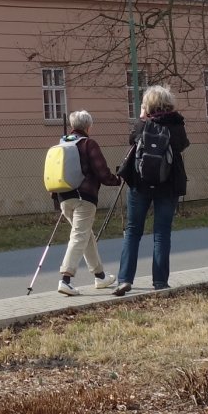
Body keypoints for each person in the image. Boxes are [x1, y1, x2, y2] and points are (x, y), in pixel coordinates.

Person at [112, 84, 189, 295]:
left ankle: (125, 279)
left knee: (132, 231)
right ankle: (160, 282)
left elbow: (132, 140)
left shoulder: (142, 125)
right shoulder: (176, 125)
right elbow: (182, 145)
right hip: (168, 184)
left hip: (140, 184)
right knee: (162, 233)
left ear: (147, 105)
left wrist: (142, 117)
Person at [51, 110, 121, 296]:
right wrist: (117, 180)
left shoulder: (63, 144)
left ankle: (100, 276)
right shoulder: (89, 144)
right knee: (79, 236)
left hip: (64, 198)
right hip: (84, 198)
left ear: (72, 125)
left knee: (86, 235)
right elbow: (102, 171)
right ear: (89, 126)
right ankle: (65, 279)